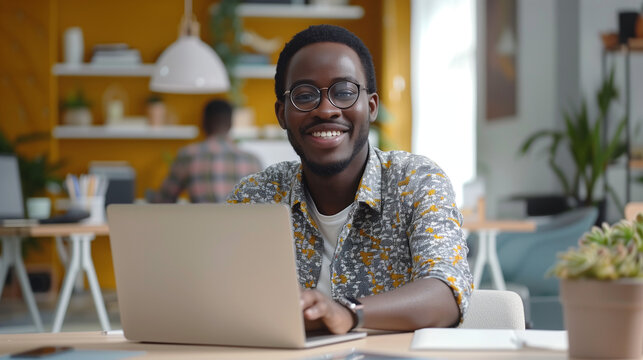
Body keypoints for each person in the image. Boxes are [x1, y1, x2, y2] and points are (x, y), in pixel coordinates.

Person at [227, 25, 472, 334]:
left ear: (370, 107)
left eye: (343, 92)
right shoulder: (257, 196)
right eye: (305, 95)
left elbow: (446, 292)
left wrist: (348, 312)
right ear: (281, 113)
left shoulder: (416, 181)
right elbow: (222, 298)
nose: (326, 110)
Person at [155, 99, 262, 203]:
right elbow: (262, 205)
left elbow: (164, 200)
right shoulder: (252, 161)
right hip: (241, 221)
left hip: (202, 221)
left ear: (204, 123)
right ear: (230, 124)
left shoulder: (188, 155)